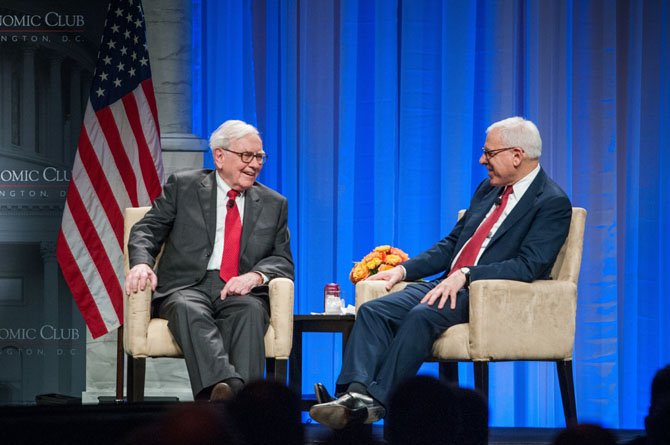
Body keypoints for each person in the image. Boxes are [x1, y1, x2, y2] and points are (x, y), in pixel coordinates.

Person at [310, 116, 572, 429]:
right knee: (374, 311)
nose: (481, 160)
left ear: (517, 155)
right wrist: (403, 270)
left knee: (423, 314)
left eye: (489, 153)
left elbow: (530, 264)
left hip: (484, 295)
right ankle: (352, 396)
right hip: (446, 284)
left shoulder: (552, 202)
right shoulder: (488, 191)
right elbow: (451, 245)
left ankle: (377, 402)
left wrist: (467, 274)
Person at [125, 120, 294, 401]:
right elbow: (146, 229)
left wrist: (254, 276)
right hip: (186, 286)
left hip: (239, 289)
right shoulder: (184, 186)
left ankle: (224, 401)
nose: (255, 164)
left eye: (260, 156)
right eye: (246, 156)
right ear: (219, 155)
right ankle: (239, 400)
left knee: (251, 313)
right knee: (186, 307)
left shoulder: (274, 203)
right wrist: (142, 262)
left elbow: (282, 259)